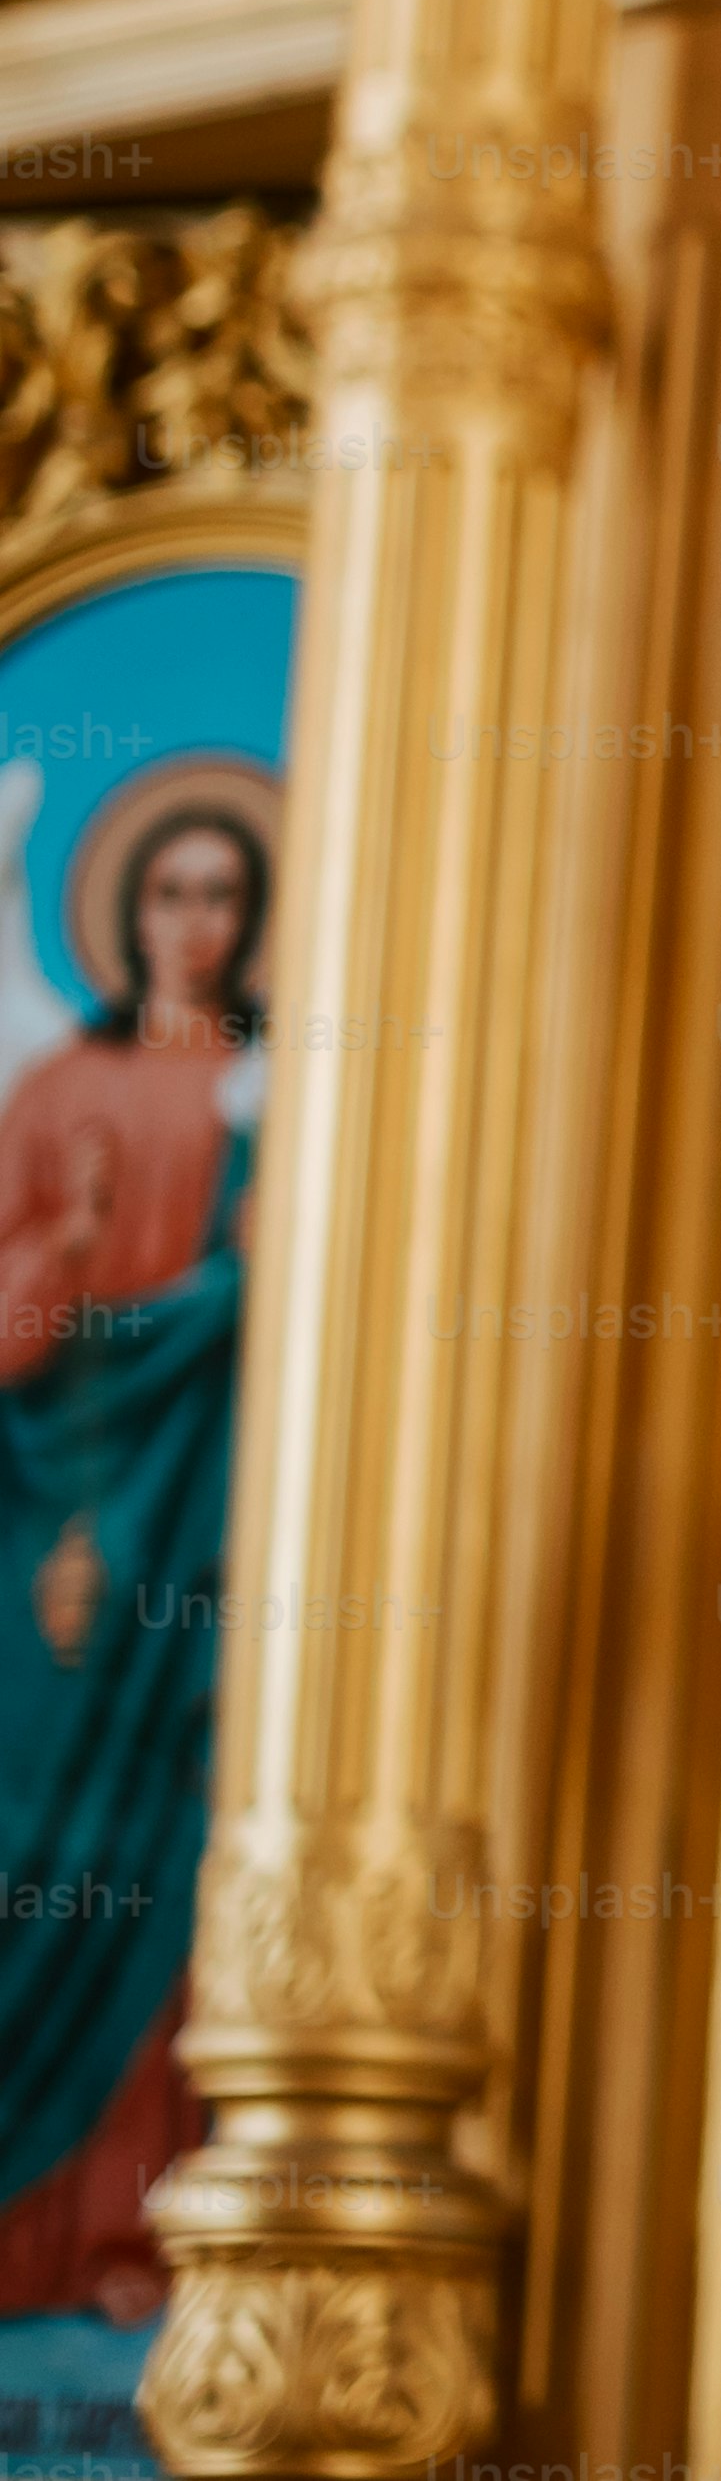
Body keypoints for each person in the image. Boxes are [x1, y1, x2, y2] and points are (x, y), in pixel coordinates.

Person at [0, 790, 268, 2326]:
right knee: (42, 1863)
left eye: (222, 890)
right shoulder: (60, 1088)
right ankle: (24, 2232)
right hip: (60, 1531)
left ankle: (130, 2232)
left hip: (209, 1527)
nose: (194, 918)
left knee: (174, 1865)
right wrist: (70, 1243)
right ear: (128, 912)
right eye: (168, 889)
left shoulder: (271, 1093)